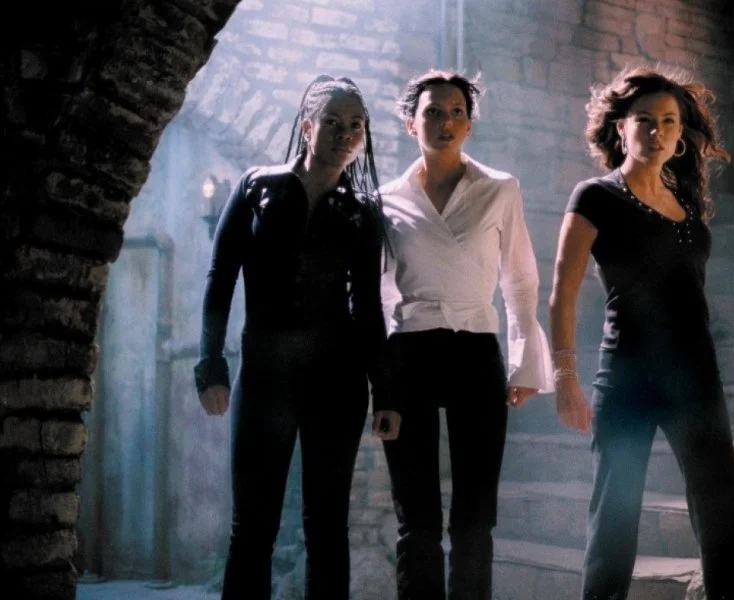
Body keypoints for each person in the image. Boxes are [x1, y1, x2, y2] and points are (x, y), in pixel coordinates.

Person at [549, 65, 734, 599]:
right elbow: (562, 293)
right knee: (614, 519)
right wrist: (565, 377)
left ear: (681, 132)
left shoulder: (685, 202)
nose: (657, 131)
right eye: (645, 119)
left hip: (695, 376)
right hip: (628, 377)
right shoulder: (595, 196)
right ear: (621, 127)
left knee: (721, 515)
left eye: (669, 121)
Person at [193, 74, 402, 600]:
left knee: (327, 526)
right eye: (332, 121)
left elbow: (368, 307)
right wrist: (211, 364)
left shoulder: (361, 212)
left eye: (355, 125)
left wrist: (385, 391)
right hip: (265, 376)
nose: (345, 134)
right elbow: (220, 278)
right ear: (308, 126)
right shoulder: (257, 188)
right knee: (253, 524)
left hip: (337, 381)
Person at [379, 69, 554, 600]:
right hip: (409, 351)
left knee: (475, 516)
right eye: (433, 112)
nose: (446, 122)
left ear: (470, 125)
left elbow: (519, 279)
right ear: (411, 124)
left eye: (457, 112)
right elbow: (378, 295)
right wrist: (383, 386)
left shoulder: (500, 189)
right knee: (417, 519)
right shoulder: (385, 199)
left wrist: (524, 362)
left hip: (474, 348)